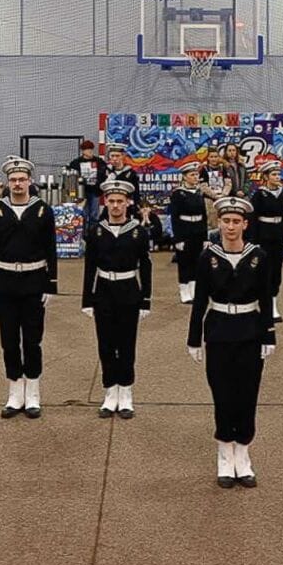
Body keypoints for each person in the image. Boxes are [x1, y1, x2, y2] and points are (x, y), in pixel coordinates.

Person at [187, 196, 276, 488]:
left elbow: (266, 298)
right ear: (219, 223)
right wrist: (194, 339)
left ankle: (243, 453)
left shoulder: (258, 257)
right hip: (219, 330)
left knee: (247, 393)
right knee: (223, 393)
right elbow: (200, 301)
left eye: (236, 221)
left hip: (250, 330)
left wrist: (269, 334)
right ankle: (225, 452)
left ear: (245, 224)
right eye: (226, 221)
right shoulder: (207, 257)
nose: (230, 226)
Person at [0, 156, 57, 417]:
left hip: (34, 282)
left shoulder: (43, 210)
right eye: (13, 180)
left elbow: (51, 249)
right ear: (7, 182)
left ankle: (33, 392)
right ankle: (15, 392)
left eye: (22, 179)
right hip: (5, 283)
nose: (17, 184)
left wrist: (51, 284)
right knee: (9, 340)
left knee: (32, 340)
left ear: (30, 181)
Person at [83, 178, 151, 419]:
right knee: (106, 344)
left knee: (126, 344)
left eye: (120, 201)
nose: (115, 205)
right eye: (111, 201)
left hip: (129, 290)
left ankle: (126, 392)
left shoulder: (138, 232)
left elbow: (146, 266)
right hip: (104, 292)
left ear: (127, 203)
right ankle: (110, 392)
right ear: (105, 202)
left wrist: (146, 299)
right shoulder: (96, 231)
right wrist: (87, 300)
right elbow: (90, 266)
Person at [248, 161, 283, 322]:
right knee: (265, 270)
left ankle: (273, 303)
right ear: (265, 177)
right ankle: (263, 303)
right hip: (264, 236)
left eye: (278, 174)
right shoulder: (259, 195)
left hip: (277, 236)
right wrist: (254, 240)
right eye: (274, 174)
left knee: (276, 270)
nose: (277, 177)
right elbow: (253, 218)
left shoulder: (281, 194)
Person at [167, 162, 209, 305]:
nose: (195, 177)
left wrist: (205, 237)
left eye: (196, 174)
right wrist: (177, 239)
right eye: (192, 175)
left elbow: (204, 215)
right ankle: (184, 290)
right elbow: (174, 217)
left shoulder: (198, 192)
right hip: (185, 231)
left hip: (198, 230)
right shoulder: (178, 194)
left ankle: (193, 289)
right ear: (185, 177)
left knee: (196, 261)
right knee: (185, 262)